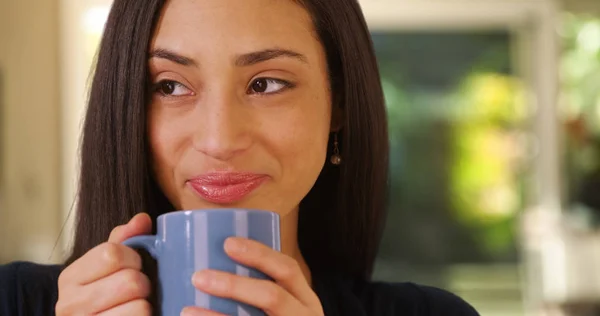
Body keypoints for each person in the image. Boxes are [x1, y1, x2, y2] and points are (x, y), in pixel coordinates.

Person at [0, 0, 480, 315]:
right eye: (170, 86)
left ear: (340, 105)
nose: (220, 139)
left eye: (267, 84)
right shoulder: (16, 301)